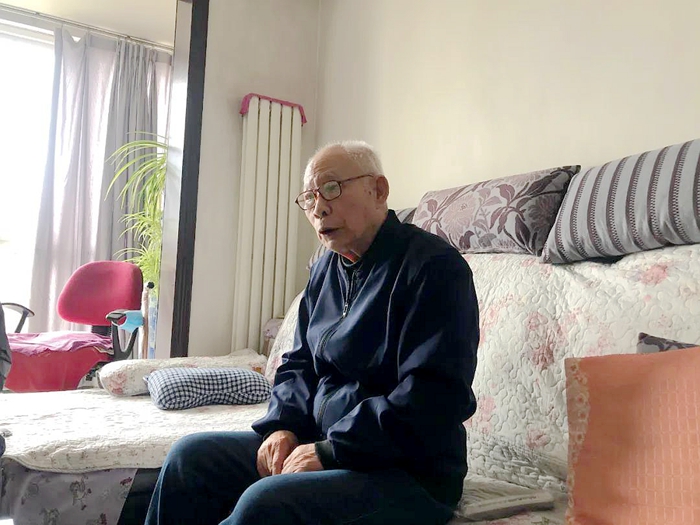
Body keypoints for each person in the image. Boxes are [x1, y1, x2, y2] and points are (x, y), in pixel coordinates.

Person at [145, 141, 479, 525]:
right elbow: (299, 363)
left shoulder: (433, 267)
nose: (318, 207)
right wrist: (282, 425)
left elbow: (434, 395)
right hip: (324, 442)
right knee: (190, 458)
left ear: (378, 190)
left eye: (332, 188)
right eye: (309, 197)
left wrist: (332, 450)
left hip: (408, 470)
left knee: (265, 503)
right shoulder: (324, 270)